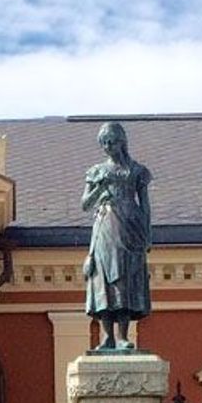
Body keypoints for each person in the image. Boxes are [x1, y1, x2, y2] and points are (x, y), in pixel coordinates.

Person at [81, 121, 152, 351]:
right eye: (104, 142)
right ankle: (107, 337)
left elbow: (146, 206)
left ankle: (122, 336)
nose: (108, 146)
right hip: (105, 226)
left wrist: (147, 235)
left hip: (131, 227)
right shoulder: (96, 172)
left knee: (125, 278)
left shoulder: (137, 171)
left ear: (122, 141)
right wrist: (99, 188)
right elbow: (85, 204)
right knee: (104, 278)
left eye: (112, 141)